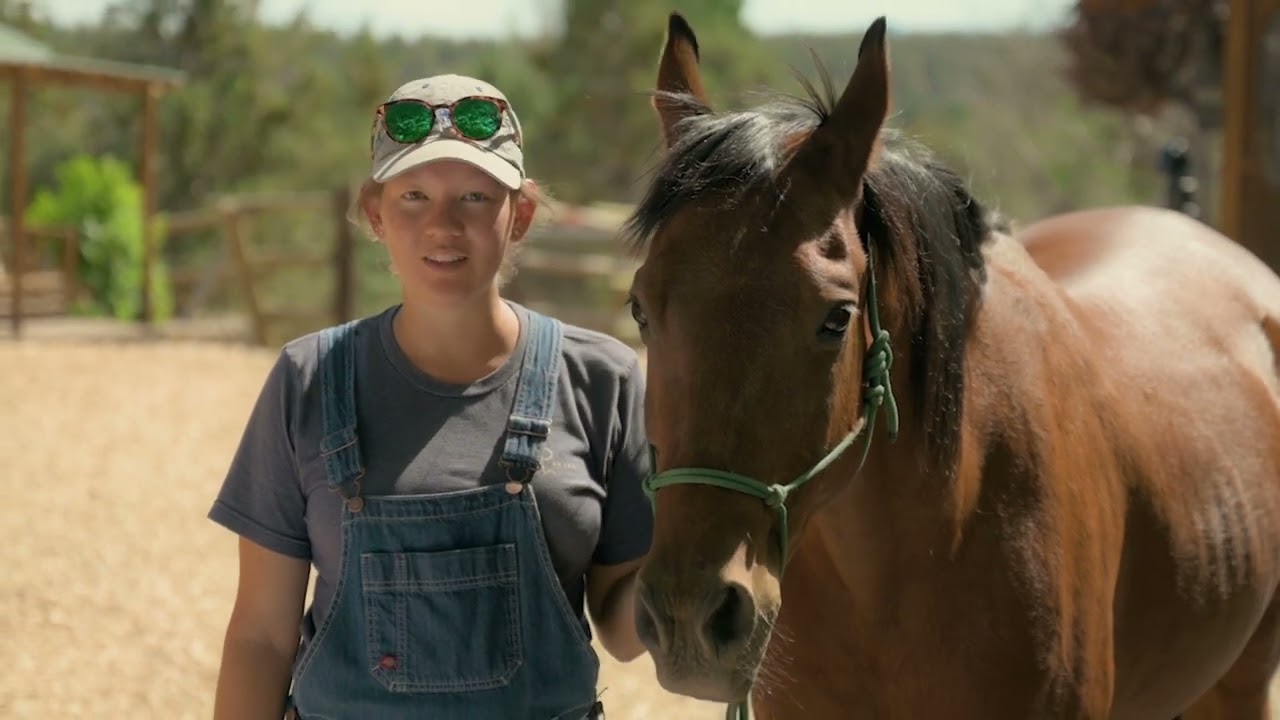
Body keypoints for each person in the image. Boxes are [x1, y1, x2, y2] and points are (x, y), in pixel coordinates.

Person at [208, 73, 653, 720]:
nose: (443, 225)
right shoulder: (309, 379)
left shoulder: (601, 379)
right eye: (414, 195)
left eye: (475, 196)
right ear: (375, 214)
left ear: (520, 214)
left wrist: (726, 563)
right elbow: (261, 636)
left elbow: (622, 625)